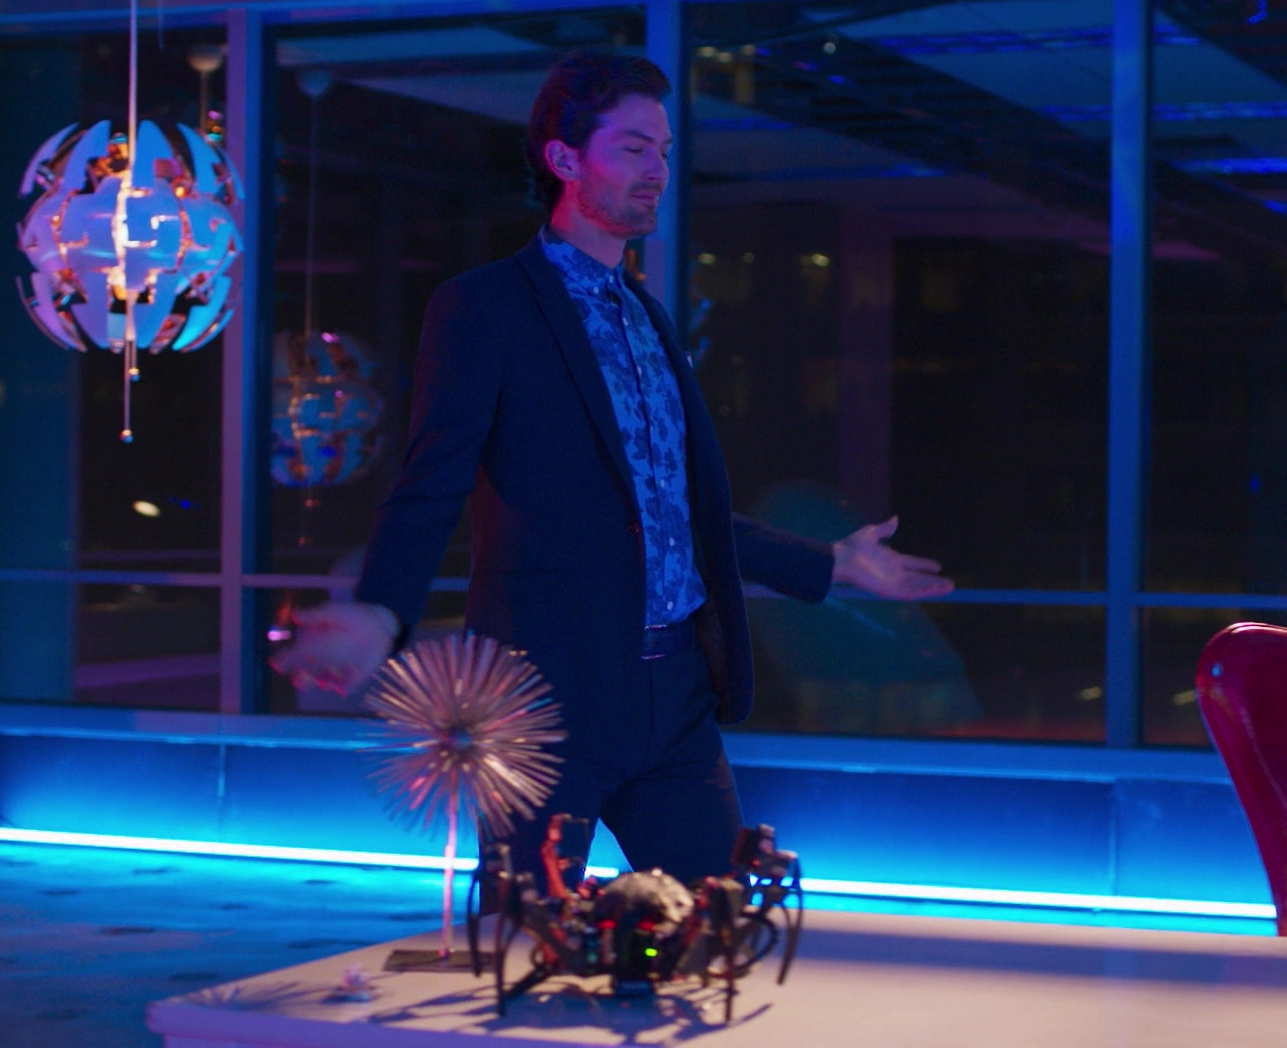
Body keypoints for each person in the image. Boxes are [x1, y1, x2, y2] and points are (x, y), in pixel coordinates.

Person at [270, 51, 953, 888]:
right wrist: (382, 611)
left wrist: (833, 562)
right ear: (564, 159)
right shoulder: (486, 307)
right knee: (525, 939)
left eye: (663, 150)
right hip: (542, 698)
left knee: (720, 926)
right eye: (633, 148)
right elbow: (430, 484)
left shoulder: (649, 319)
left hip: (676, 697)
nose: (657, 169)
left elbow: (679, 516)